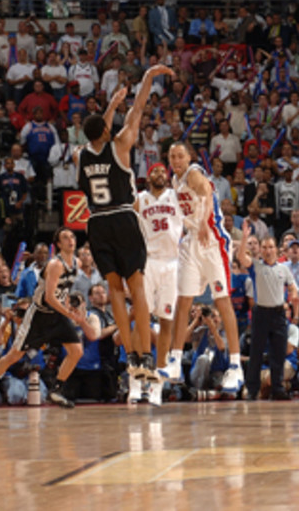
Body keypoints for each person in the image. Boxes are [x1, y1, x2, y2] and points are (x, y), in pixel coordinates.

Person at [76, 64, 172, 382]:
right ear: (105, 130)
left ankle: (130, 354)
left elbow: (95, 133)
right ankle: (146, 355)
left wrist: (110, 107)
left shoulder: (80, 155)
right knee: (138, 288)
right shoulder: (120, 145)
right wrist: (147, 79)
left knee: (115, 291)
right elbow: (139, 109)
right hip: (122, 218)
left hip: (97, 224)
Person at [160, 142, 245, 395]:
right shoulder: (174, 184)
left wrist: (205, 222)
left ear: (188, 157)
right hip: (191, 241)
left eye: (180, 155)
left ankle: (235, 364)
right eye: (172, 156)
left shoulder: (194, 173)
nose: (176, 160)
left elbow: (208, 193)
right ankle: (174, 359)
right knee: (183, 300)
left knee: (222, 301)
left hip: (213, 240)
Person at [0, 229, 90, 410]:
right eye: (65, 238)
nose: (71, 240)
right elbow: (50, 298)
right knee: (14, 355)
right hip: (39, 315)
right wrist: (69, 313)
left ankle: (56, 390)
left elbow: (63, 292)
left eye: (72, 237)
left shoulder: (77, 263)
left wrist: (71, 305)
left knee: (76, 351)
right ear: (58, 245)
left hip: (58, 315)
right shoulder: (55, 264)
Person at [136, 163, 183, 406]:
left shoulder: (175, 196)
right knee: (141, 317)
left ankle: (158, 382)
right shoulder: (140, 199)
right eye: (155, 171)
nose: (159, 174)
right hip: (149, 261)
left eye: (163, 171)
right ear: (148, 177)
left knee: (167, 322)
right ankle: (136, 374)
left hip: (172, 263)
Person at [238, 235, 299, 400]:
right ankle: (252, 389)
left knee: (278, 353)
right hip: (261, 313)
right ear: (261, 250)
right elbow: (240, 256)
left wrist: (292, 296)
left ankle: (277, 388)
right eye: (264, 247)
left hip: (279, 314)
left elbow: (293, 287)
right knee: (256, 352)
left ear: (276, 250)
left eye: (270, 247)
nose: (267, 250)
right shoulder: (256, 266)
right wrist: (244, 238)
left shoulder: (284, 269)